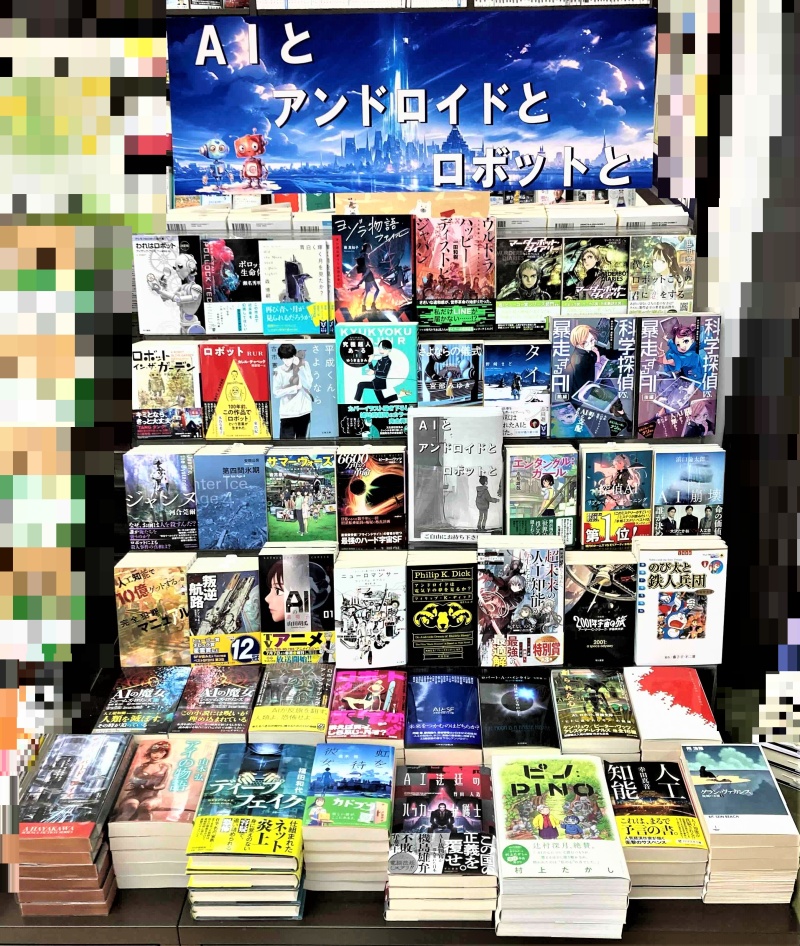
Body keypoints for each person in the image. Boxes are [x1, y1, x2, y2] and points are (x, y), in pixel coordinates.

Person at [113, 742, 171, 821]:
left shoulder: (166, 767)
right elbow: (130, 783)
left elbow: (163, 784)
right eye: (154, 752)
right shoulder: (141, 766)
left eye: (161, 752)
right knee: (130, 809)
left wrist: (153, 787)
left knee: (144, 808)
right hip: (135, 794)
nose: (157, 755)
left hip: (153, 796)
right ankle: (117, 826)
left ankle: (145, 827)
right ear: (150, 752)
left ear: (165, 753)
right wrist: (134, 785)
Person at [272, 343, 314, 439]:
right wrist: (294, 388)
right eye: (284, 358)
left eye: (289, 358)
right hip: (287, 412)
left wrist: (300, 368)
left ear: (294, 356)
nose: (287, 361)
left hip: (304, 410)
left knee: (303, 442)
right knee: (286, 443)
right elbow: (276, 392)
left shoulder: (304, 365)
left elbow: (308, 385)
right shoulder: (278, 370)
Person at [354, 340, 400, 406]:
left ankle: (355, 403)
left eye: (384, 348)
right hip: (376, 382)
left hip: (380, 383)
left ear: (389, 350)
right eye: (380, 348)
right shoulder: (379, 360)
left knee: (361, 385)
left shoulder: (388, 361)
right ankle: (399, 395)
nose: (381, 350)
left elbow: (384, 373)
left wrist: (374, 372)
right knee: (382, 401)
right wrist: (370, 361)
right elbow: (373, 369)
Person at [565, 324, 598, 397]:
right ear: (581, 342)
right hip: (584, 396)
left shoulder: (584, 352)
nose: (594, 342)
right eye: (591, 340)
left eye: (593, 339)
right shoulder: (580, 360)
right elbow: (586, 386)